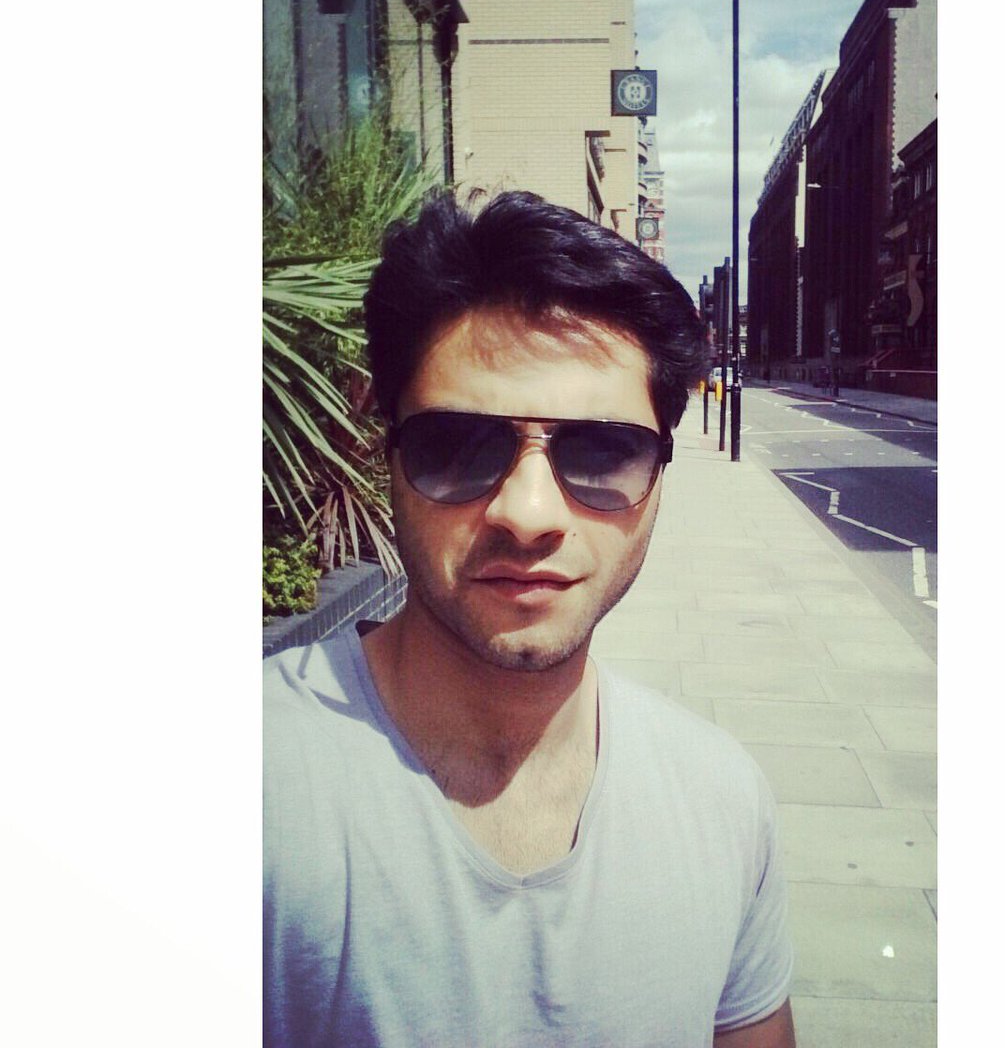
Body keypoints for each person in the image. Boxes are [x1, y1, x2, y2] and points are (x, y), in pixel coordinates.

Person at [264, 190, 796, 1046]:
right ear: (383, 452)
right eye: (457, 445)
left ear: (661, 474)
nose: (529, 512)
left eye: (602, 452)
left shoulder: (722, 801)